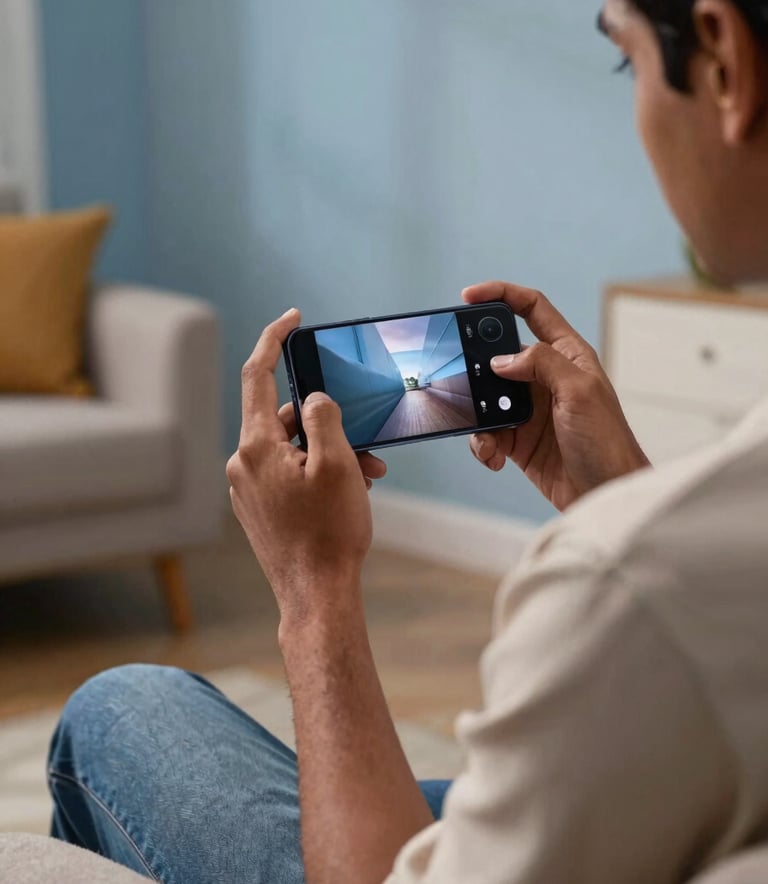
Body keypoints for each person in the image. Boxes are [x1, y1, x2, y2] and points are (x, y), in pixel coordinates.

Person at [47, 1, 768, 882]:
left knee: (122, 708)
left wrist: (312, 591)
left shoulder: (622, 594)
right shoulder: (693, 554)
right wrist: (618, 497)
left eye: (627, 60)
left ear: (726, 63)